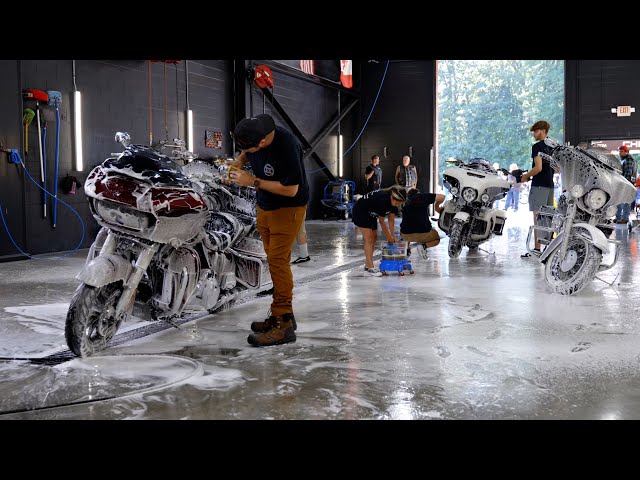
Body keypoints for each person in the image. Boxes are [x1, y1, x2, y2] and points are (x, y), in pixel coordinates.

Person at [229, 113, 308, 347]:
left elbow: (291, 189)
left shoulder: (287, 146)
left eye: (251, 150)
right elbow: (245, 152)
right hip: (265, 205)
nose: (249, 153)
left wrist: (251, 181)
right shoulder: (256, 134)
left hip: (288, 208)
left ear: (262, 142)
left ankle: (282, 323)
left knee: (277, 261)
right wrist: (238, 162)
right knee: (273, 260)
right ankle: (284, 316)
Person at [352, 185, 407, 276]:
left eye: (400, 203)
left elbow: (391, 220)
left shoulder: (393, 203)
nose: (398, 204)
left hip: (371, 213)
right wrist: (389, 237)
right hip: (361, 211)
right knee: (369, 238)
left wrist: (392, 236)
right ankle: (370, 267)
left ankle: (367, 264)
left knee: (374, 237)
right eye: (397, 202)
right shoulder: (383, 201)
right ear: (392, 197)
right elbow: (382, 221)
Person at [520, 120, 555, 258]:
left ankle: (537, 249)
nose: (534, 134)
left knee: (537, 217)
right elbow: (556, 168)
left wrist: (526, 176)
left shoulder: (537, 147)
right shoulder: (553, 147)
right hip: (550, 185)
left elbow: (538, 168)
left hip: (539, 185)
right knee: (547, 217)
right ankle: (548, 248)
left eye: (535, 131)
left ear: (542, 130)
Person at [399, 187, 445, 259]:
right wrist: (437, 207)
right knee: (437, 239)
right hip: (424, 233)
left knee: (406, 226)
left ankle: (407, 249)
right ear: (418, 193)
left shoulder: (404, 201)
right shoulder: (423, 196)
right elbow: (442, 197)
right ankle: (424, 246)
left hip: (406, 234)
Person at [615, 145, 637, 224]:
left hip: (627, 183)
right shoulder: (624, 160)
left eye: (621, 151)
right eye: (619, 151)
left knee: (626, 201)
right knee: (620, 201)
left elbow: (628, 173)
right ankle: (618, 217)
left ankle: (624, 218)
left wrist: (624, 184)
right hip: (626, 183)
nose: (620, 153)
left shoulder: (628, 160)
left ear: (626, 152)